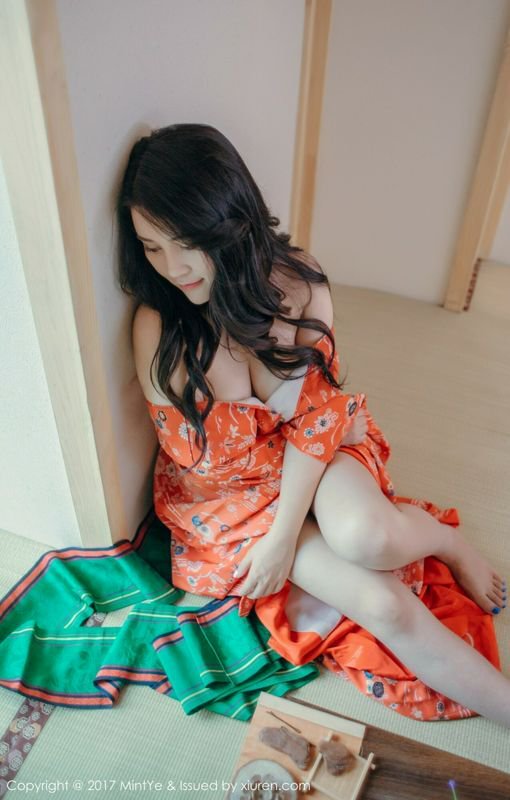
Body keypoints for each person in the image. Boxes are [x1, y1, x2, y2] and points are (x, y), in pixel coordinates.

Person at [117, 123, 509, 726]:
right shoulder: (161, 326)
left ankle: (444, 540)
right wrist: (278, 526)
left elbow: (318, 419)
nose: (173, 267)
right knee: (384, 604)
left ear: (229, 220)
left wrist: (286, 538)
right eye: (151, 247)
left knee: (370, 539)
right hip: (236, 499)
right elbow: (217, 467)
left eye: (185, 242)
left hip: (313, 452)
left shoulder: (298, 283)